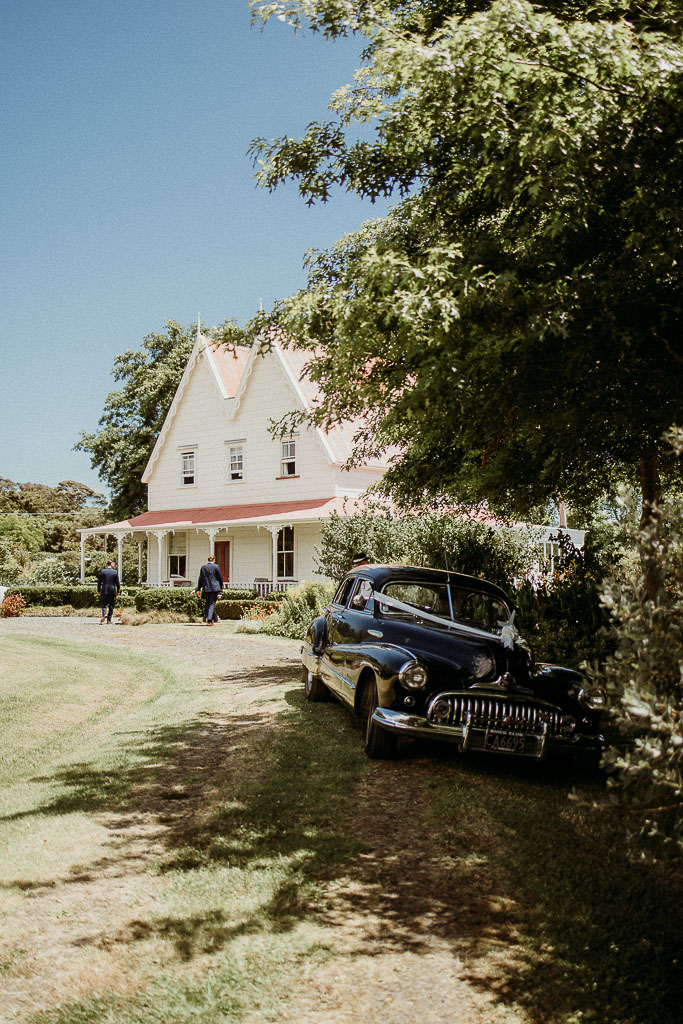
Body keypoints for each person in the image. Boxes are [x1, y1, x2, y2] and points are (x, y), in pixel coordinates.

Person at [195, 555, 223, 625]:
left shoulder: (203, 567)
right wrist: (221, 588)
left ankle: (215, 619)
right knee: (211, 604)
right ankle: (209, 620)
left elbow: (200, 579)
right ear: (214, 560)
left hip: (206, 588)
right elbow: (220, 578)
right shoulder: (216, 567)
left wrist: (198, 588)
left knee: (208, 604)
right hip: (214, 588)